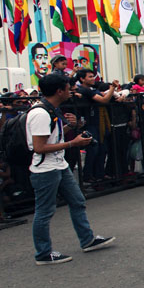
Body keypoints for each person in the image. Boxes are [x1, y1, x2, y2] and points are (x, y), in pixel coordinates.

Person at [28, 74, 115, 264]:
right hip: (45, 169)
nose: (72, 91)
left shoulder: (52, 109)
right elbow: (39, 147)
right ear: (59, 91)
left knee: (77, 201)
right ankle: (43, 253)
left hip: (59, 165)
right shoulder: (40, 113)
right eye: (69, 88)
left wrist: (72, 127)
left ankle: (87, 240)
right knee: (44, 211)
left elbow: (52, 136)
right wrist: (72, 143)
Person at [75, 69, 119, 183]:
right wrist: (113, 88)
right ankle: (88, 175)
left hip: (98, 123)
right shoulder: (83, 90)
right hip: (89, 123)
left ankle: (99, 174)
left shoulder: (91, 90)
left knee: (102, 149)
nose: (92, 79)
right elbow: (104, 99)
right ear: (82, 79)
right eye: (89, 77)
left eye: (93, 76)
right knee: (94, 149)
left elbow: (104, 96)